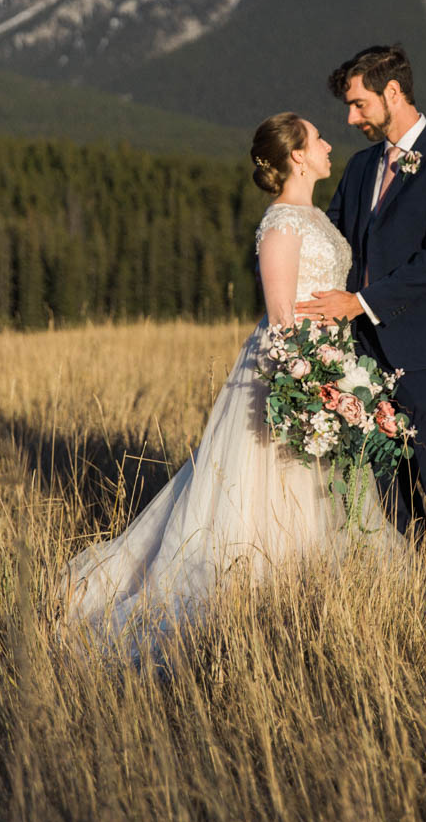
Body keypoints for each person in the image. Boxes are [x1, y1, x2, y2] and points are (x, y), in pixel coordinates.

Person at [61, 112, 397, 655]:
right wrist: (311, 377)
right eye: (318, 139)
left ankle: (313, 606)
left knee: (321, 491)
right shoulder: (281, 224)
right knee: (268, 493)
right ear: (297, 155)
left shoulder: (316, 217)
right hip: (292, 369)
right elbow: (282, 315)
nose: (329, 145)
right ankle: (255, 605)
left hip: (332, 365)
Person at [296, 44, 426, 550]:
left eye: (359, 104)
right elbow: (336, 242)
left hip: (425, 352)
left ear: (394, 93)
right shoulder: (359, 168)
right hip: (361, 358)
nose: (350, 116)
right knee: (385, 489)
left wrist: (360, 302)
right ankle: (413, 587)